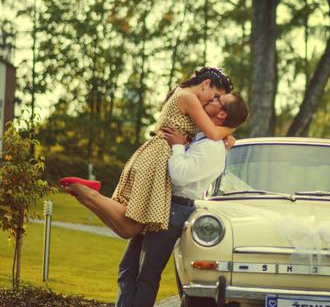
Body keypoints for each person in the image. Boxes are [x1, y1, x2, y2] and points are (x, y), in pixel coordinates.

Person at [77, 91, 249, 307]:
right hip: (160, 204)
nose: (211, 99)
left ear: (222, 113)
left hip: (175, 209)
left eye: (218, 100)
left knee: (146, 274)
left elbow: (180, 176)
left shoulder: (212, 149)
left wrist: (178, 145)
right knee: (128, 268)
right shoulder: (205, 137)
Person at [59, 67, 235, 238]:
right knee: (132, 225)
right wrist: (233, 127)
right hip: (158, 158)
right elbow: (213, 133)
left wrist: (225, 135)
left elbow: (207, 130)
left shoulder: (181, 93)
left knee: (128, 230)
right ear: (206, 84)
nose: (213, 102)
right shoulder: (189, 98)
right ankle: (89, 193)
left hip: (154, 155)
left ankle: (86, 196)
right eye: (215, 96)